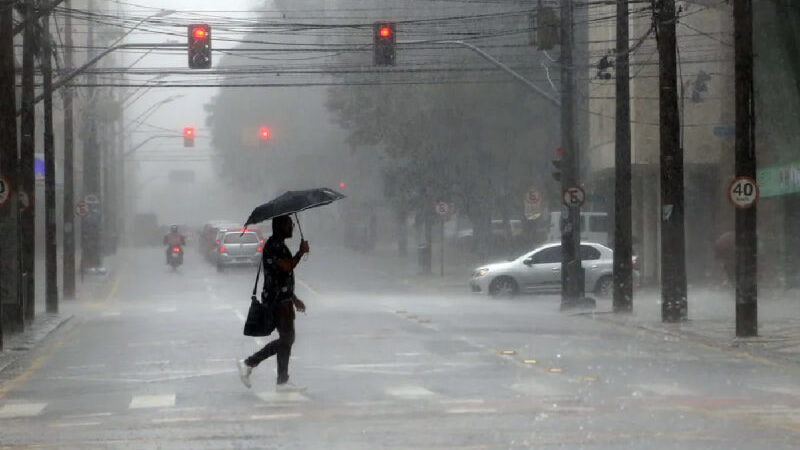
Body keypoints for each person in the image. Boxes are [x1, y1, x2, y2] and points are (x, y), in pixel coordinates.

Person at [238, 215, 309, 391]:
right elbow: (286, 267)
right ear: (279, 227)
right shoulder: (273, 246)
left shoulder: (278, 244)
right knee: (287, 338)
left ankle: (282, 381)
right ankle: (249, 363)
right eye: (289, 224)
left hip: (283, 299)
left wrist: (294, 298)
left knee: (287, 338)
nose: (292, 227)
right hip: (276, 301)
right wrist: (300, 252)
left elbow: (281, 277)